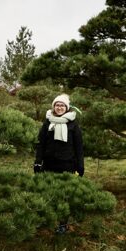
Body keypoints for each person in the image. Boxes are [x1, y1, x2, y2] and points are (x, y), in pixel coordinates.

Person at [34, 93, 84, 233]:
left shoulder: (73, 125)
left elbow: (79, 147)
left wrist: (80, 166)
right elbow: (41, 144)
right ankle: (45, 219)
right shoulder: (47, 123)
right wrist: (38, 162)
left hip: (67, 164)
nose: (59, 107)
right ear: (53, 107)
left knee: (64, 194)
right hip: (49, 163)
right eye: (57, 105)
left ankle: (62, 223)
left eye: (62, 105)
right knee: (46, 192)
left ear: (66, 108)